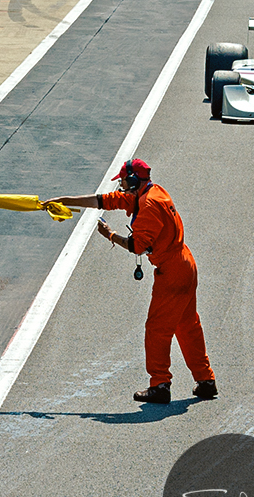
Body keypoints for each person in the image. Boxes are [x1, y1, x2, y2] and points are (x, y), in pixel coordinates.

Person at [44, 159, 216, 405]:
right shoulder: (151, 192)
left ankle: (160, 384)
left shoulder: (148, 205)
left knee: (157, 329)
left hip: (172, 272)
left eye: (123, 181)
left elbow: (137, 246)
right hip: (185, 265)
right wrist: (65, 200)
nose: (121, 186)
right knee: (188, 325)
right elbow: (103, 200)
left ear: (134, 180)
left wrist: (110, 235)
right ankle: (206, 380)